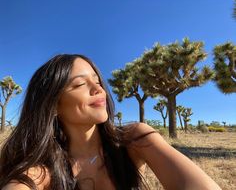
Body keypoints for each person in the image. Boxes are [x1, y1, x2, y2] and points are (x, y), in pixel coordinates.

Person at [0, 54, 221, 190]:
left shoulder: (133, 139)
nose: (99, 89)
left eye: (97, 81)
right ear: (53, 105)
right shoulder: (42, 171)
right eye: (79, 84)